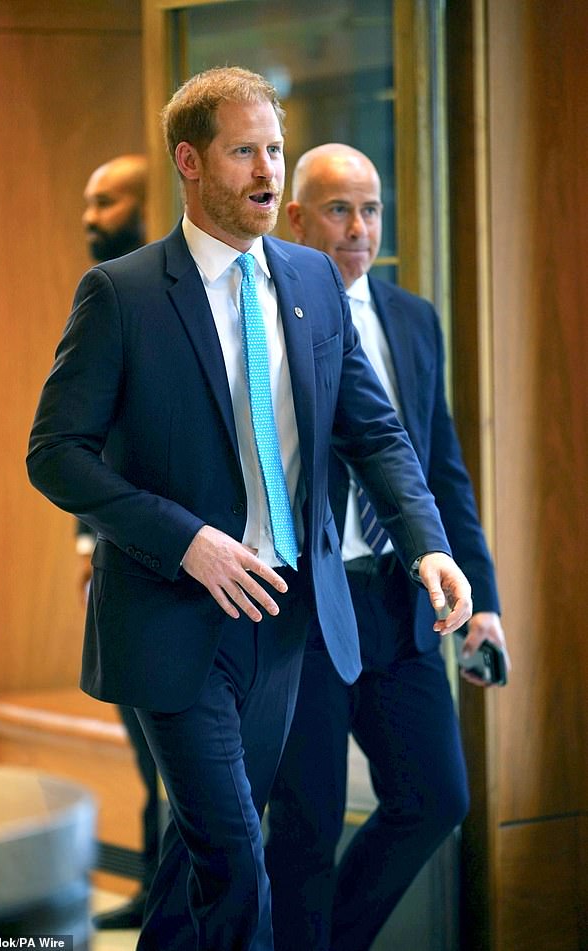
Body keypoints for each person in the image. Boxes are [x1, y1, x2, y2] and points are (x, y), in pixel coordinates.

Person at [27, 67, 473, 951]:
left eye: (275, 148)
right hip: (172, 615)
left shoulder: (311, 280)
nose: (268, 169)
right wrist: (186, 540)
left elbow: (375, 434)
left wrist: (428, 543)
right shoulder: (122, 294)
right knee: (235, 855)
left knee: (198, 864)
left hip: (286, 620)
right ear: (191, 162)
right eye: (244, 151)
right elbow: (54, 454)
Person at [264, 143, 510, 951]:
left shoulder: (412, 318)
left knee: (436, 796)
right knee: (306, 827)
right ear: (296, 218)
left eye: (372, 209)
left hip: (402, 604)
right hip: (305, 604)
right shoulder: (270, 316)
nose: (359, 227)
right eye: (339, 209)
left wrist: (483, 600)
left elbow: (441, 470)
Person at [77, 154, 159, 930]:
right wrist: (85, 549)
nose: (90, 216)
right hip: (127, 562)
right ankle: (158, 883)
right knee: (145, 741)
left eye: (107, 201)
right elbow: (79, 439)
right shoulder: (108, 294)